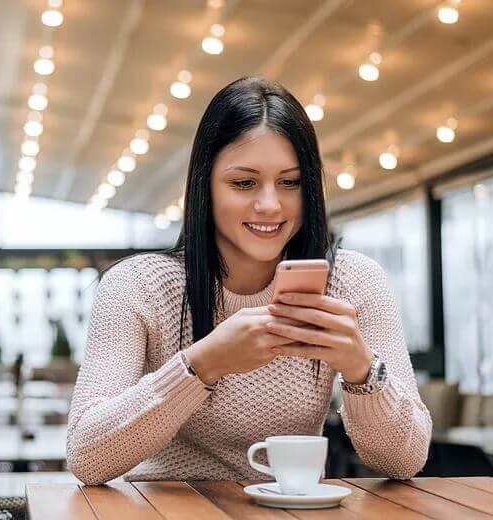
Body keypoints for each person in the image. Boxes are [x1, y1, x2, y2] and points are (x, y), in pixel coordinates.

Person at [66, 76, 432, 485]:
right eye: (244, 183)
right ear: (204, 185)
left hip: (294, 513)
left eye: (290, 182)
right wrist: (202, 364)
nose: (270, 205)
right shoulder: (138, 286)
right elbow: (86, 456)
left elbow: (406, 461)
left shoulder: (354, 282)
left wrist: (362, 369)